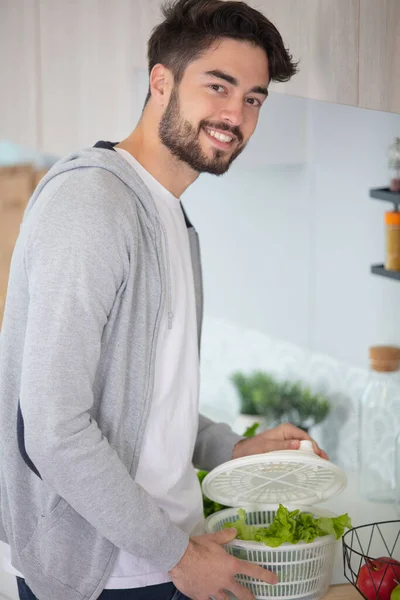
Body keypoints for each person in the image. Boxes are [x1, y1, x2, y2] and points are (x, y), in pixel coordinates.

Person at [0, 1, 328, 599]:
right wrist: (178, 557)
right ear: (161, 82)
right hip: (104, 575)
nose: (236, 114)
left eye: (253, 98)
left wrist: (230, 448)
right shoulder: (93, 204)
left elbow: (141, 400)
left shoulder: (173, 219)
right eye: (218, 86)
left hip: (163, 558)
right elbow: (52, 429)